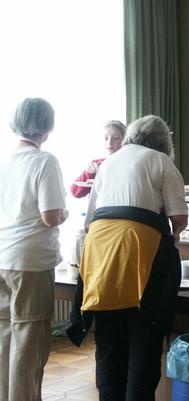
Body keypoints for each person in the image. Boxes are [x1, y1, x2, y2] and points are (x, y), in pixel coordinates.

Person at [80, 115, 188, 401]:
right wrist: (171, 233)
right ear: (164, 142)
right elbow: (179, 218)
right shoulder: (161, 162)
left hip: (100, 255)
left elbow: (90, 222)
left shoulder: (108, 164)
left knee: (108, 344)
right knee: (144, 342)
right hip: (140, 254)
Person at [0, 98, 68, 401]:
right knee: (29, 339)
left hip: (2, 254)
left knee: (4, 335)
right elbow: (50, 216)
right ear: (47, 126)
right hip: (29, 260)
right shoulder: (44, 161)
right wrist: (65, 212)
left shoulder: (4, 160)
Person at [70, 120, 126, 198]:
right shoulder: (97, 164)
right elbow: (75, 192)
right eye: (106, 138)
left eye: (115, 138)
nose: (109, 142)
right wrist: (88, 173)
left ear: (124, 140)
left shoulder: (128, 164)